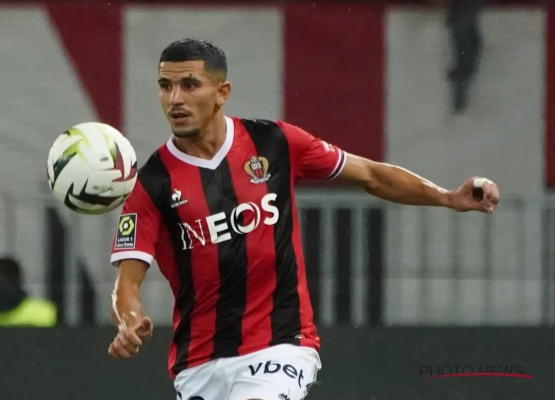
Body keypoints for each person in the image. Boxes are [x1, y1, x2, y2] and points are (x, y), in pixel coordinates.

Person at [108, 39, 500, 400]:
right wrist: (129, 321)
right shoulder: (152, 183)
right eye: (165, 86)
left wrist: (447, 197)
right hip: (198, 364)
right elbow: (127, 281)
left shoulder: (274, 142)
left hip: (280, 345)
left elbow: (370, 174)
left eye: (189, 85)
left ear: (222, 92)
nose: (175, 98)